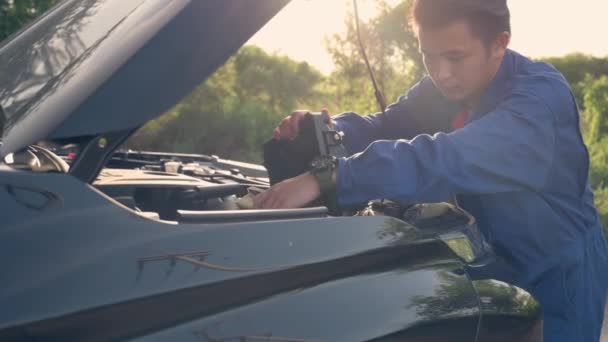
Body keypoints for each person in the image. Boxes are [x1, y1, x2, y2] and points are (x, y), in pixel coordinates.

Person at [254, 0, 608, 340]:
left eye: (455, 57)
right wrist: (324, 130)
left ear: (499, 43)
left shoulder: (538, 103)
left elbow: (446, 158)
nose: (441, 74)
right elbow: (385, 126)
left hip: (559, 275)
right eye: (428, 56)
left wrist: (333, 177)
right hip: (497, 259)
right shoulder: (445, 87)